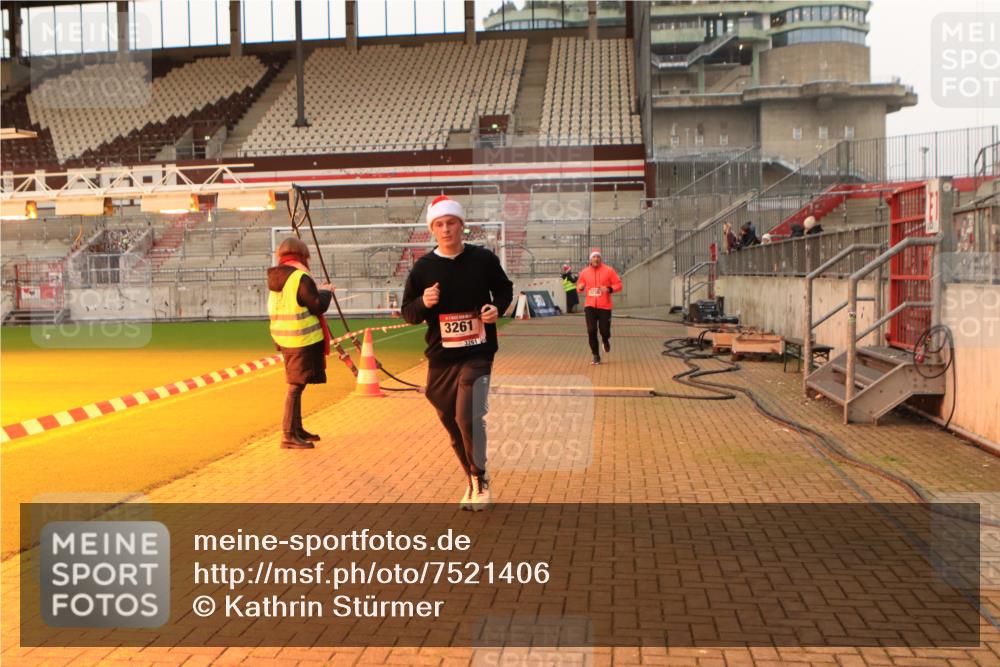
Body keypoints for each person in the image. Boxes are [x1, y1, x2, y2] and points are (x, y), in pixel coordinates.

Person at [402, 195, 513, 510]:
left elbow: (504, 289)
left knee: (469, 416)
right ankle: (472, 479)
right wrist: (424, 302)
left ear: (462, 226)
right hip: (441, 357)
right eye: (440, 224)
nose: (446, 229)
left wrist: (496, 308)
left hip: (478, 351)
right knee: (451, 422)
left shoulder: (483, 259)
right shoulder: (423, 268)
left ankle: (480, 477)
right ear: (432, 230)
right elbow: (408, 312)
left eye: (452, 222)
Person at [267, 237, 335, 450]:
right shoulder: (299, 277)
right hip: (302, 339)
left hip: (285, 338)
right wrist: (326, 292)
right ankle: (288, 434)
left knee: (298, 385)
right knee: (295, 387)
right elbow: (317, 305)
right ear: (303, 255)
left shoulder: (277, 277)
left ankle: (296, 429)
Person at [575, 248, 623, 365]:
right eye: (594, 257)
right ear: (590, 259)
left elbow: (619, 284)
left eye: (598, 257)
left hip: (604, 306)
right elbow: (579, 287)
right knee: (591, 330)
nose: (596, 259)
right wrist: (580, 287)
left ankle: (605, 340)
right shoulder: (584, 272)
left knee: (604, 331)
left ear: (600, 258)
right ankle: (596, 355)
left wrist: (608, 289)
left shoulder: (609, 270)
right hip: (590, 306)